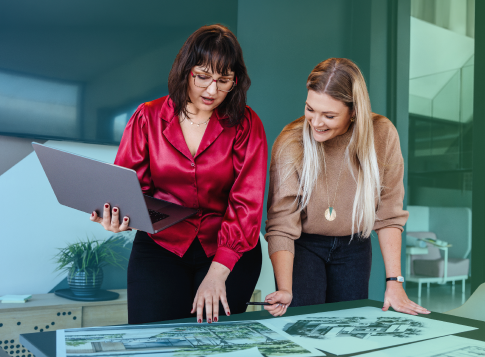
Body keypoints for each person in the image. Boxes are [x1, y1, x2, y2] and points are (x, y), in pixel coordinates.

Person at [90, 24, 268, 324]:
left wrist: (216, 274)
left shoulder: (247, 124)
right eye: (203, 77)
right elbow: (130, 188)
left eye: (224, 80)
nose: (212, 90)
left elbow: (246, 206)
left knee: (213, 346)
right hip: (162, 245)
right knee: (151, 342)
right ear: (186, 70)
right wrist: (118, 216)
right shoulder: (147, 116)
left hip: (227, 250)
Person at [263, 58, 429, 317]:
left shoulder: (382, 135)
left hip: (355, 246)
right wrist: (285, 288)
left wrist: (394, 283)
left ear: (354, 112)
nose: (316, 122)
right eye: (310, 109)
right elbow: (281, 223)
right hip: (304, 246)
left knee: (348, 329)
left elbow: (389, 215)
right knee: (303, 327)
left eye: (329, 115)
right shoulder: (290, 142)